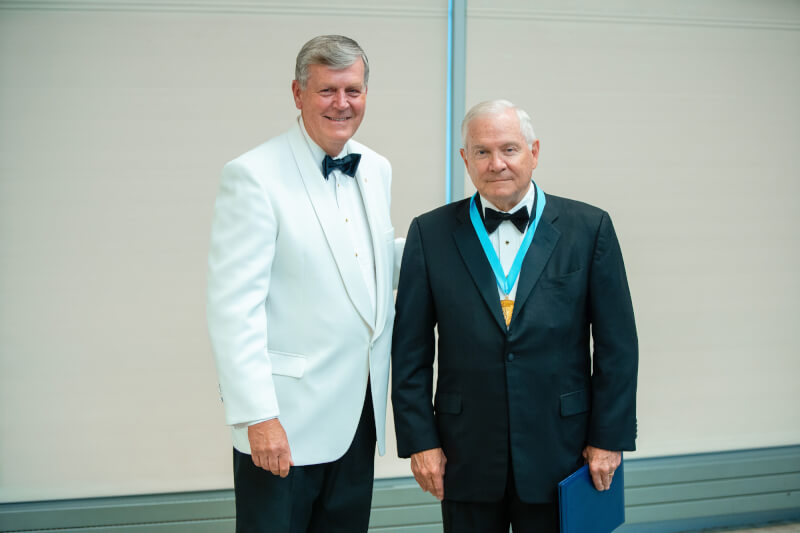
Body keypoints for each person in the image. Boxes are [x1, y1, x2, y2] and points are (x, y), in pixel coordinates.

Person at [391, 99, 638, 532]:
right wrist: (420, 441)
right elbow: (409, 351)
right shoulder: (429, 234)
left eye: (509, 149)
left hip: (564, 450)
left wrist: (608, 438)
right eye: (482, 152)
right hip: (463, 454)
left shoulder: (589, 228)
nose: (496, 164)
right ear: (466, 159)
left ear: (534, 152)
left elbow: (618, 346)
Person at [207, 35, 402, 532]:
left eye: (353, 90)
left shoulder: (376, 169)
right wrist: (257, 417)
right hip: (283, 424)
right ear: (297, 93)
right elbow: (234, 308)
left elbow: (370, 267)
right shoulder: (252, 175)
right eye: (327, 91)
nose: (342, 104)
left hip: (359, 416)